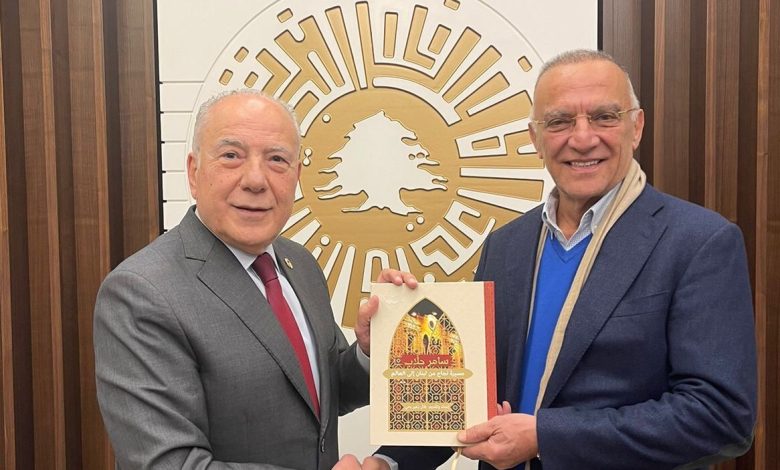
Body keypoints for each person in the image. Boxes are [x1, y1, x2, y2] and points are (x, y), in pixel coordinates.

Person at [358, 49, 758, 469]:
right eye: (560, 121)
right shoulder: (506, 246)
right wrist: (388, 462)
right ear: (535, 138)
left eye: (604, 117)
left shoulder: (698, 242)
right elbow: (469, 400)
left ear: (636, 127)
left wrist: (544, 438)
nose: (582, 139)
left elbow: (721, 417)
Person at [93, 89, 417, 469]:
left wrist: (368, 352)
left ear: (296, 177)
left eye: (277, 159)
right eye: (232, 156)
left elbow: (319, 394)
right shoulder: (141, 292)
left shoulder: (300, 264)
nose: (256, 180)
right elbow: (168, 464)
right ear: (194, 172)